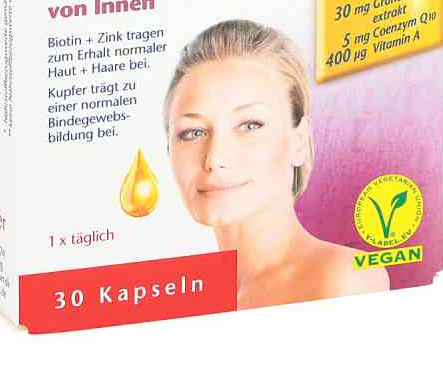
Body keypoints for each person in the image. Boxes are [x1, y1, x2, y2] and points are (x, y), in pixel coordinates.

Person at [164, 19, 389, 310]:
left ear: (299, 141)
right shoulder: (182, 296)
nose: (215, 159)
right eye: (193, 133)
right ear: (168, 148)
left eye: (250, 125)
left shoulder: (343, 280)